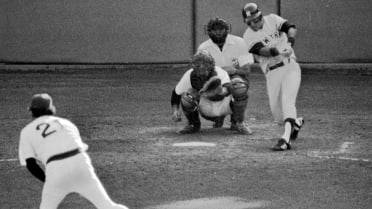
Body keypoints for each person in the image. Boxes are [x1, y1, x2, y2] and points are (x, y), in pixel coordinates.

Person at [18, 93, 129, 209]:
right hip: (81, 164)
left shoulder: (26, 131)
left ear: (32, 111)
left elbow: (31, 165)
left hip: (55, 170)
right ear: (51, 108)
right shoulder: (66, 123)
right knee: (107, 205)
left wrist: (49, 181)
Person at [241, 2, 304, 151]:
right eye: (250, 22)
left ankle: (285, 139)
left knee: (288, 102)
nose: (254, 24)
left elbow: (291, 28)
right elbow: (262, 51)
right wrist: (280, 50)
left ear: (261, 15)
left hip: (290, 66)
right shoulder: (248, 36)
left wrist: (290, 42)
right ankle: (296, 123)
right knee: (278, 113)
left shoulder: (272, 19)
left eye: (256, 19)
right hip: (272, 73)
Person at [171, 50, 251, 135]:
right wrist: (175, 111)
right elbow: (176, 94)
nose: (201, 66)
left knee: (239, 86)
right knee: (187, 96)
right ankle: (193, 124)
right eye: (198, 64)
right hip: (206, 108)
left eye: (205, 63)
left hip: (224, 105)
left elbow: (228, 89)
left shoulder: (220, 72)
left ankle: (238, 122)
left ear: (211, 64)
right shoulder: (190, 75)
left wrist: (220, 91)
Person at [197, 17, 254, 134]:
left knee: (239, 87)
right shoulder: (203, 48)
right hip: (214, 79)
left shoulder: (239, 42)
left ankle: (238, 122)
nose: (218, 32)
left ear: (227, 30)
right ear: (208, 31)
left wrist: (233, 70)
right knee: (202, 101)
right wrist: (222, 71)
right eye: (214, 29)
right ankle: (216, 117)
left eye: (221, 29)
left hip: (235, 76)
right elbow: (201, 74)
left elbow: (246, 70)